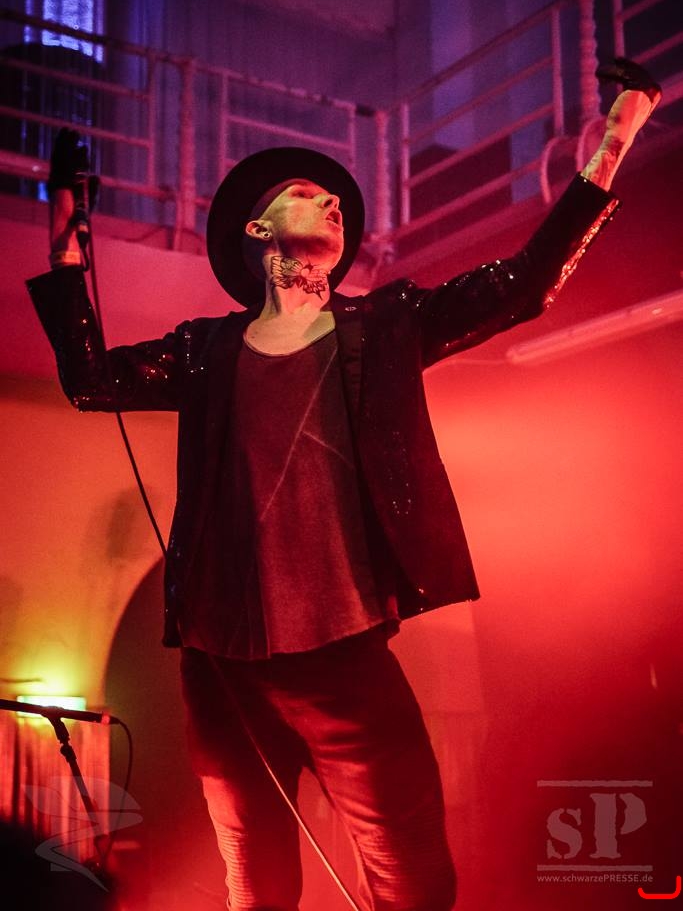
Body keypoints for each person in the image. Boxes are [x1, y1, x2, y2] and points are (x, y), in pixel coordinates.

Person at [27, 58, 660, 911]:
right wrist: (68, 233)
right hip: (221, 664)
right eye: (304, 193)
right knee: (255, 885)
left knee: (412, 884)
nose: (330, 199)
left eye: (333, 197)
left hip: (344, 655)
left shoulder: (385, 325)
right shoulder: (205, 349)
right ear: (257, 230)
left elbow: (523, 286)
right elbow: (90, 380)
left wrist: (613, 141)